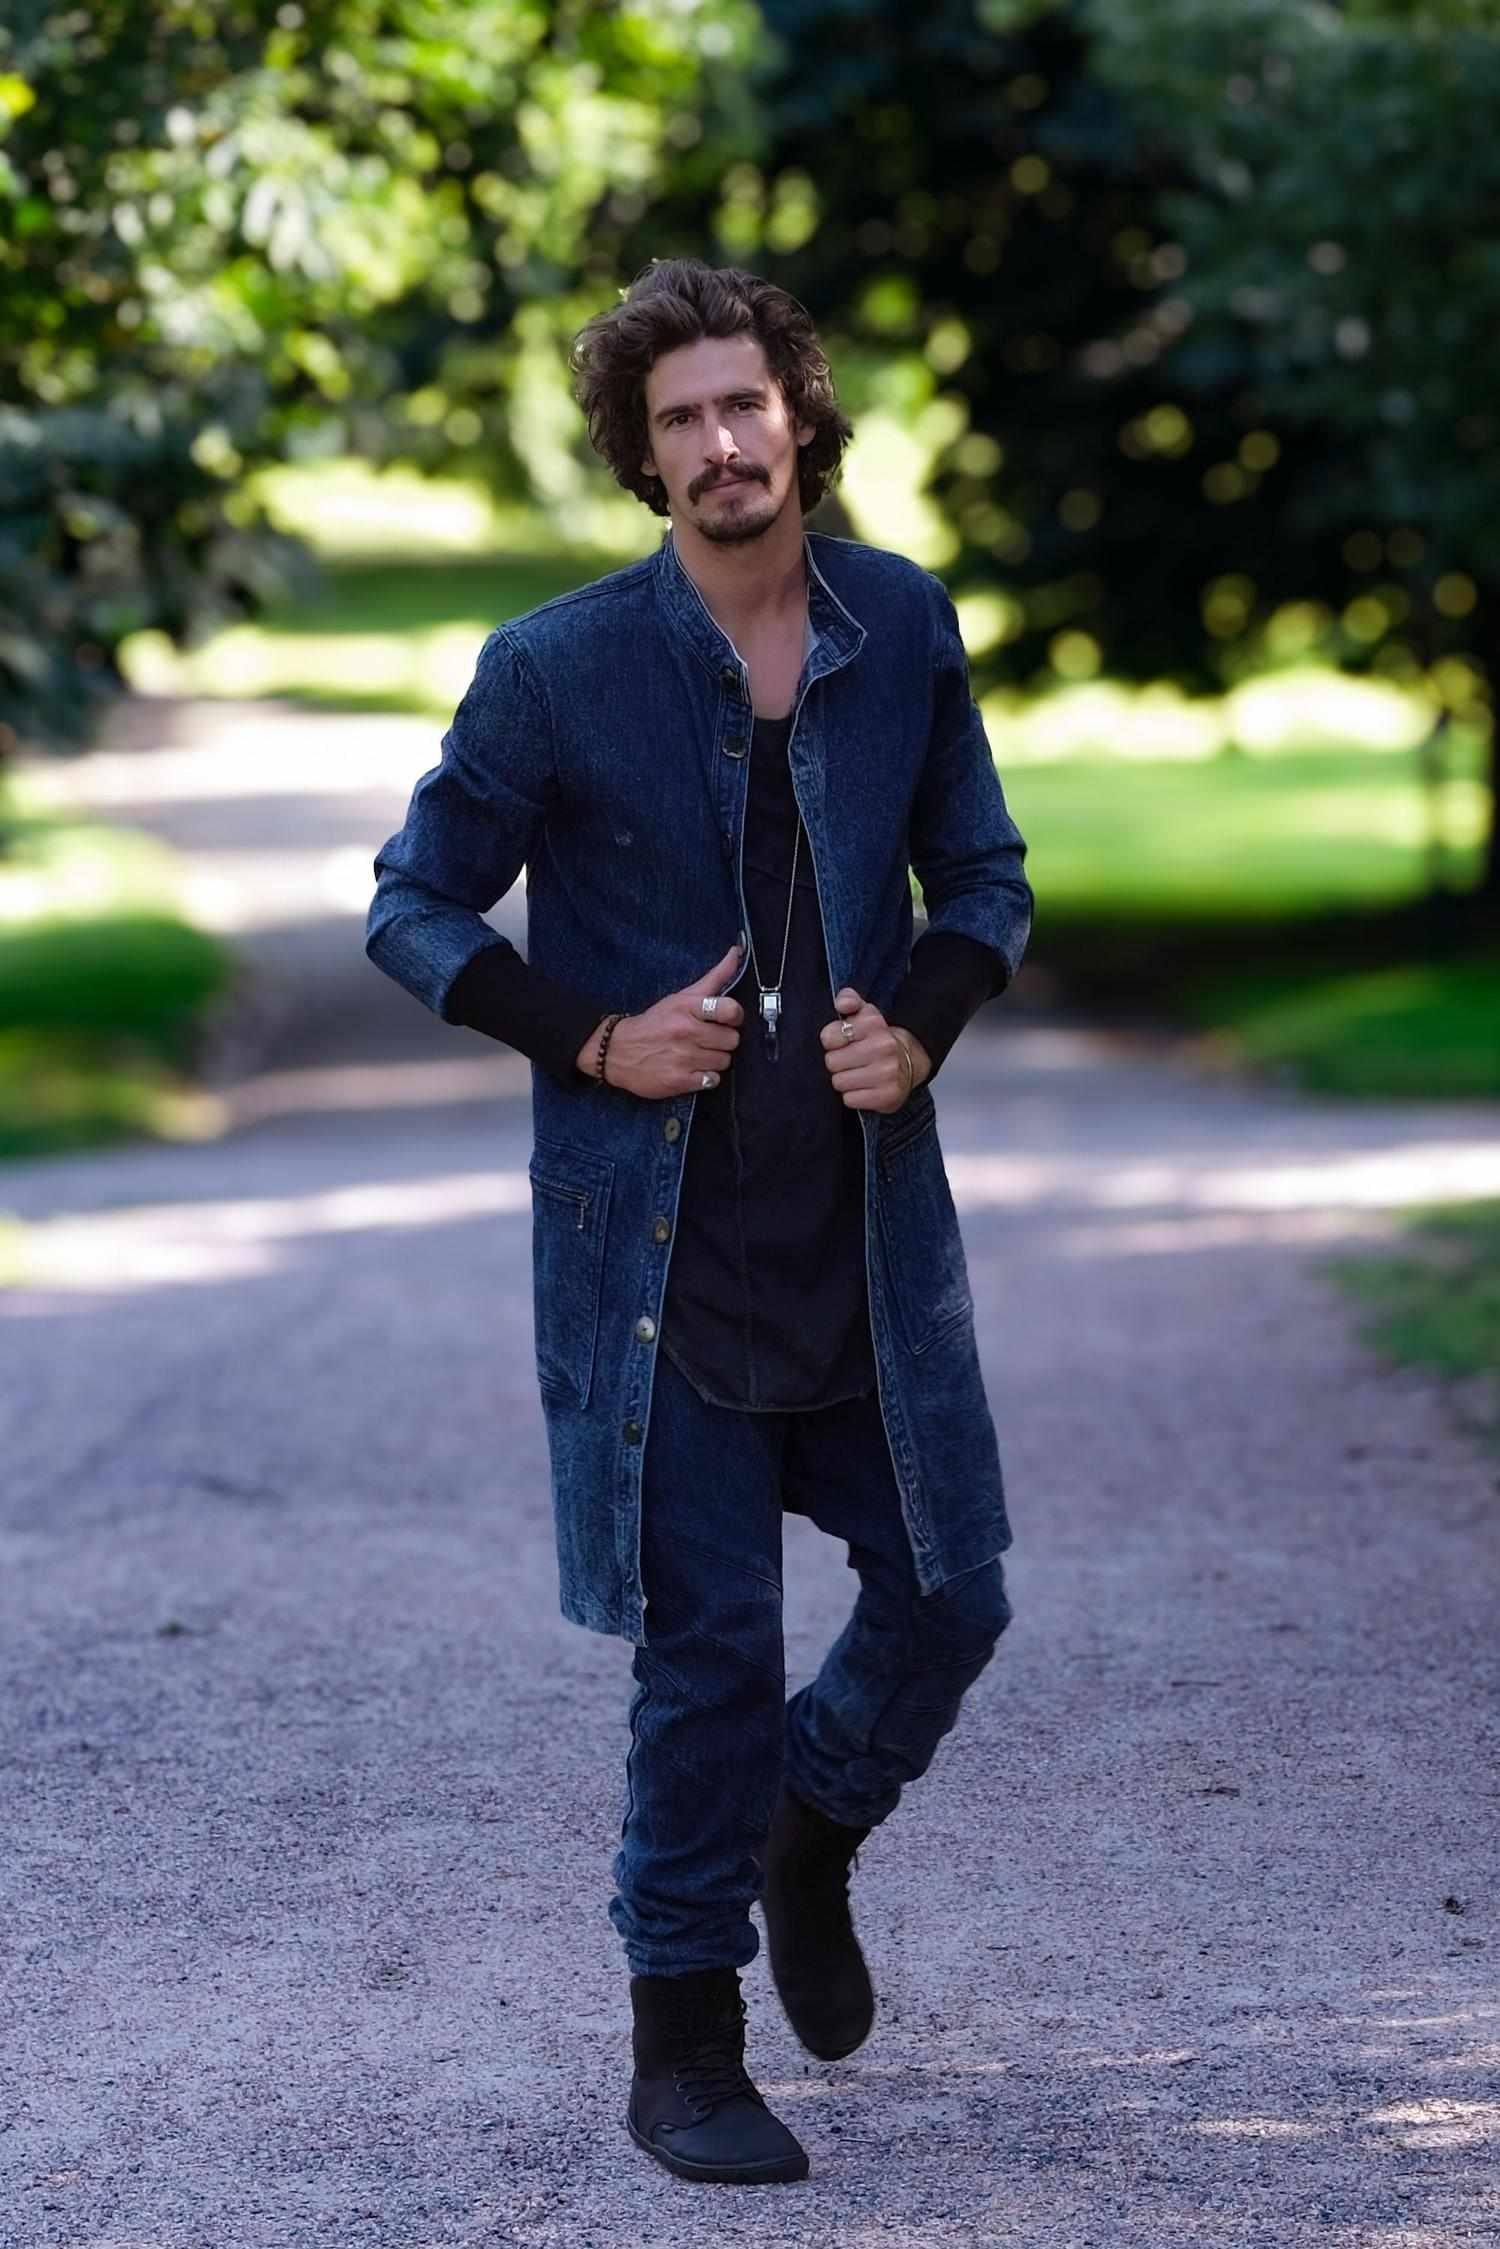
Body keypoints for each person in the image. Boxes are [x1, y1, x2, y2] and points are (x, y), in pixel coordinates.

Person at [365, 258, 1033, 2187]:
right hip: (649, 1257)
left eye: (745, 404)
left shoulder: (897, 627)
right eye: (679, 421)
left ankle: (807, 1831)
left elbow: (982, 873)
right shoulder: (554, 667)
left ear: (799, 417)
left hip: (862, 1232)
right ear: (641, 460)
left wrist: (919, 1025)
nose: (721, 443)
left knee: (954, 1588)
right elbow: (413, 907)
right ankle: (683, 2052)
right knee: (711, 1651)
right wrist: (586, 1032)